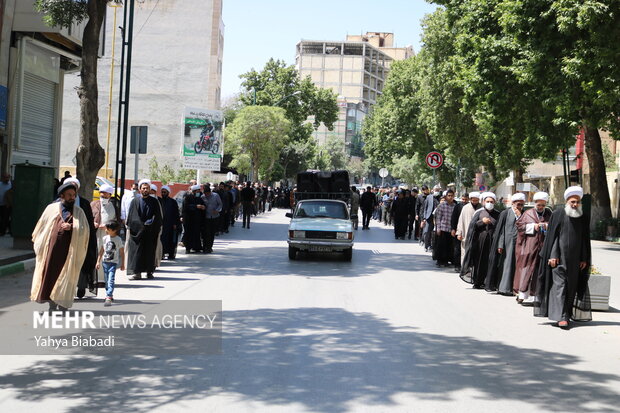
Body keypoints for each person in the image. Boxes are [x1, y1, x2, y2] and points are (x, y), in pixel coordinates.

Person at [534, 186, 591, 329]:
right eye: (572, 201)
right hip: (559, 259)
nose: (575, 204)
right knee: (560, 286)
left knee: (571, 287)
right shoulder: (559, 213)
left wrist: (584, 258)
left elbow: (585, 239)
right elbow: (553, 237)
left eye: (577, 202)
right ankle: (561, 317)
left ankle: (566, 313)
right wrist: (553, 255)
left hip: (576, 260)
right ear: (566, 201)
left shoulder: (582, 216)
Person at [30, 183, 90, 312]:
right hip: (51, 251)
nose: (72, 198)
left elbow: (85, 231)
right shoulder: (51, 209)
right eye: (69, 195)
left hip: (69, 252)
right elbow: (41, 227)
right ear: (61, 195)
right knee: (51, 275)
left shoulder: (79, 212)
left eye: (74, 195)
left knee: (67, 276)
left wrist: (73, 227)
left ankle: (63, 304)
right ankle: (51, 303)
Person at [514, 191, 551, 304]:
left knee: (539, 271)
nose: (540, 207)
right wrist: (533, 226)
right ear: (535, 203)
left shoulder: (549, 213)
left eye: (543, 205)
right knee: (526, 270)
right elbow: (519, 226)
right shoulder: (528, 213)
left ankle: (536, 296)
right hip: (529, 246)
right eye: (539, 205)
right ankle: (521, 294)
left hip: (543, 246)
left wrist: (546, 226)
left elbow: (554, 226)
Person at [63, 178, 97, 299]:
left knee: (81, 263)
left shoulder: (84, 203)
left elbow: (88, 223)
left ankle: (81, 286)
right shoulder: (57, 203)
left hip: (81, 238)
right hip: (65, 240)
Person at [485, 192, 525, 295]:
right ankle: (504, 288)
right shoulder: (506, 213)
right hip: (507, 244)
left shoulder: (524, 214)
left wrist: (520, 216)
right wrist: (500, 244)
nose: (520, 206)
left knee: (517, 266)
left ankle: (515, 288)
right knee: (507, 265)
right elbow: (501, 230)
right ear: (513, 203)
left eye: (521, 204)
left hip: (520, 244)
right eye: (518, 204)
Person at [460, 192, 500, 288]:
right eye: (487, 201)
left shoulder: (498, 214)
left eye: (491, 201)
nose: (489, 203)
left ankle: (489, 283)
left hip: (492, 242)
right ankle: (478, 282)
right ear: (483, 202)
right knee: (479, 262)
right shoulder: (479, 213)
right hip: (480, 242)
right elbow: (472, 226)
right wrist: (482, 222)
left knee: (491, 262)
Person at [125, 179, 162, 280]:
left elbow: (157, 216)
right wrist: (140, 226)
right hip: (137, 232)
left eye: (147, 188)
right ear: (140, 189)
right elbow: (132, 217)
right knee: (137, 253)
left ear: (150, 189)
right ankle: (137, 273)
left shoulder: (154, 201)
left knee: (149, 252)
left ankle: (149, 272)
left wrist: (151, 223)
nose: (145, 190)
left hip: (150, 232)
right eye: (143, 188)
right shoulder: (135, 201)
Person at [96, 221, 124, 306]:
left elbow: (122, 252)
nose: (106, 230)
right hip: (105, 262)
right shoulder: (105, 238)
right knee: (106, 280)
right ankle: (109, 293)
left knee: (111, 279)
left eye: (108, 229)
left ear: (114, 230)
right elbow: (102, 250)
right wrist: (98, 261)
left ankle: (108, 295)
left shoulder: (118, 239)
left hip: (113, 263)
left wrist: (123, 263)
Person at [456, 192, 481, 268]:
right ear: (470, 199)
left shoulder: (481, 208)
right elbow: (461, 221)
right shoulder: (465, 208)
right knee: (465, 251)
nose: (475, 202)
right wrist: (459, 233)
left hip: (478, 234)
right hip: (466, 233)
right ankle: (465, 268)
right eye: (473, 200)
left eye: (476, 200)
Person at [434, 189, 457, 267]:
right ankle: (440, 261)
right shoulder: (442, 205)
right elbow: (438, 218)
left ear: (454, 196)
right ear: (446, 196)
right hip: (443, 228)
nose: (450, 197)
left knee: (449, 246)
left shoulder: (455, 206)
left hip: (451, 229)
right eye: (449, 195)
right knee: (441, 245)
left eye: (452, 196)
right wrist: (438, 228)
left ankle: (447, 261)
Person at [182, 184, 206, 253]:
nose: (199, 192)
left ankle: (196, 247)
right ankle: (188, 248)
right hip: (189, 219)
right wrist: (196, 206)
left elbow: (203, 204)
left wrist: (203, 207)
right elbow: (186, 207)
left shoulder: (199, 198)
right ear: (194, 191)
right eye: (198, 191)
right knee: (188, 233)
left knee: (196, 233)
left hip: (197, 219)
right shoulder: (187, 197)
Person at [159, 185, 181, 260]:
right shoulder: (159, 201)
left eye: (165, 192)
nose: (163, 193)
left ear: (168, 192)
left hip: (171, 225)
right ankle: (161, 254)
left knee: (171, 240)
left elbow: (176, 214)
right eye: (162, 192)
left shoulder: (173, 202)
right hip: (162, 224)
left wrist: (175, 223)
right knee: (162, 240)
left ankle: (171, 254)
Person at [450, 193, 469, 271]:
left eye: (466, 199)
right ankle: (457, 265)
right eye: (463, 199)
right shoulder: (457, 206)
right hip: (458, 230)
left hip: (467, 230)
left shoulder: (469, 207)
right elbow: (453, 218)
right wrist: (453, 229)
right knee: (457, 248)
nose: (464, 201)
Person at [202, 185, 222, 253]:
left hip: (214, 217)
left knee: (211, 233)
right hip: (206, 217)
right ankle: (205, 247)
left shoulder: (216, 196)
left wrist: (217, 210)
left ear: (210, 192)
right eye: (205, 193)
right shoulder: (202, 197)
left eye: (207, 193)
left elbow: (220, 204)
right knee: (206, 233)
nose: (206, 195)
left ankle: (210, 247)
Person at [421, 186, 440, 252]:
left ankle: (434, 246)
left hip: (438, 218)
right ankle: (426, 245)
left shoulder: (442, 197)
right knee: (427, 232)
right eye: (435, 190)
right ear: (433, 190)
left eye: (438, 190)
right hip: (429, 217)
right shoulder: (429, 197)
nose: (436, 191)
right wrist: (424, 218)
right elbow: (425, 208)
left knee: (436, 233)